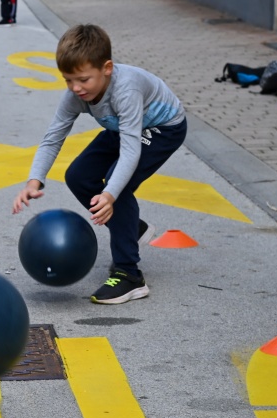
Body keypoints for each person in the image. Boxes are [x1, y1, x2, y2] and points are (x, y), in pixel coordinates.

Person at [12, 24, 187, 305]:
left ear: (106, 68)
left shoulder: (125, 90)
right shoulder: (76, 94)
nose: (75, 88)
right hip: (124, 128)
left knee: (119, 184)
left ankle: (129, 275)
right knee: (78, 176)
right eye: (68, 80)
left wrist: (110, 194)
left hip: (164, 129)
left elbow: (130, 151)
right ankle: (132, 229)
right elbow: (53, 136)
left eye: (82, 80)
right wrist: (34, 180)